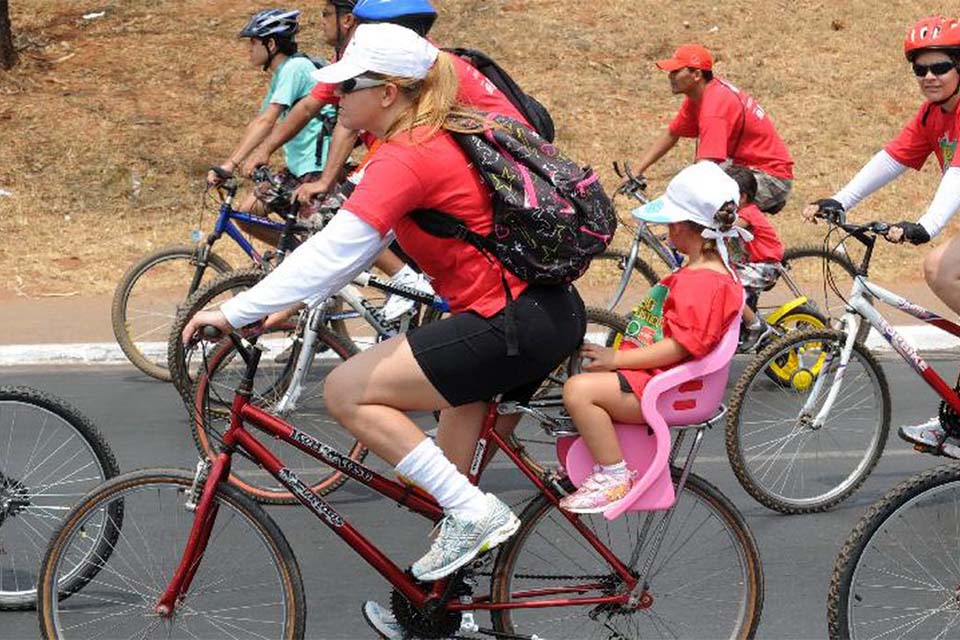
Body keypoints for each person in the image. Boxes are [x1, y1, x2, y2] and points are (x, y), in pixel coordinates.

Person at [181, 23, 586, 633]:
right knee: (443, 491)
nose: (338, 99)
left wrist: (234, 311)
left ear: (390, 92)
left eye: (349, 87)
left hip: (510, 322)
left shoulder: (409, 154)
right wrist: (280, 306)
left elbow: (340, 248)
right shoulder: (425, 139)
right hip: (527, 314)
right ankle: (445, 619)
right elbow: (351, 252)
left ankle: (477, 519)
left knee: (346, 391)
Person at [803, 16, 960, 455]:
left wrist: (926, 225)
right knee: (938, 270)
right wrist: (840, 200)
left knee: (937, 265)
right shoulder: (934, 115)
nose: (929, 77)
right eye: (920, 69)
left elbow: (959, 176)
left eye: (941, 67)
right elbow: (891, 158)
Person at [559, 162, 745, 512]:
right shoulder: (711, 272)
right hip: (655, 381)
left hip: (664, 389)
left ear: (680, 227)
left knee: (578, 391)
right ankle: (596, 460)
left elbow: (679, 346)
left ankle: (613, 475)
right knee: (588, 378)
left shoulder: (702, 281)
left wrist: (617, 358)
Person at [206, 9, 328, 245]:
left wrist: (231, 164)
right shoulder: (282, 73)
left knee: (314, 240)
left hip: (315, 169)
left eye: (253, 42)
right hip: (297, 169)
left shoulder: (296, 68)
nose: (249, 49)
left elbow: (267, 121)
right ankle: (297, 257)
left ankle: (307, 264)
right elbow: (259, 122)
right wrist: (233, 162)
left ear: (271, 43)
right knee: (248, 212)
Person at [631, 43, 794, 214]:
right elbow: (673, 133)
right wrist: (637, 170)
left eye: (676, 72)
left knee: (707, 208)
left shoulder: (714, 108)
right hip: (745, 169)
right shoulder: (699, 95)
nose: (670, 76)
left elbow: (706, 167)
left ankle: (753, 237)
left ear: (696, 75)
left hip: (770, 177)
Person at [724, 165, 785, 351]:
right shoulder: (743, 210)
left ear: (741, 197)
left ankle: (756, 326)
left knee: (728, 286)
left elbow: (727, 227)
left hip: (766, 268)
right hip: (753, 265)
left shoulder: (747, 214)